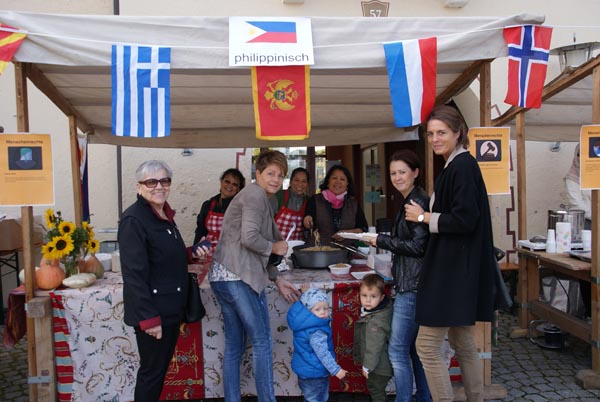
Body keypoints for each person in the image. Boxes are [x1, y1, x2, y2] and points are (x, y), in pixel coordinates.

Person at [404, 105, 495, 402]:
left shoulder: (462, 166)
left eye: (441, 132)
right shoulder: (456, 166)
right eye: (430, 133)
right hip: (458, 268)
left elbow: (465, 220)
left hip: (451, 271)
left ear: (458, 133)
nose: (434, 139)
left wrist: (423, 217)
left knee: (427, 347)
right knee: (462, 341)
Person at [209, 150, 301, 402]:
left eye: (280, 175)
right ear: (257, 173)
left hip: (222, 276)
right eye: (270, 173)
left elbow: (254, 241)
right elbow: (250, 238)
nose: (275, 179)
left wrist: (277, 277)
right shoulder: (255, 195)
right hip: (238, 277)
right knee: (262, 342)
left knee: (234, 346)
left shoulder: (256, 196)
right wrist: (275, 247)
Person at [118, 160, 207, 401]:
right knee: (152, 373)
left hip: (170, 309)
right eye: (151, 181)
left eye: (164, 180)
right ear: (139, 187)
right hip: (153, 313)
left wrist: (190, 252)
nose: (159, 186)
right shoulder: (134, 220)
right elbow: (134, 275)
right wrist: (148, 319)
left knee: (158, 372)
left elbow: (163, 255)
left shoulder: (163, 214)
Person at [367, 150, 431, 402]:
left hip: (412, 285)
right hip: (413, 282)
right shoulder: (410, 199)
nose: (397, 177)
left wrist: (382, 240)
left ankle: (404, 398)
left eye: (402, 172)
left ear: (415, 172)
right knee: (415, 351)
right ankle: (424, 397)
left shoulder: (416, 203)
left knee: (397, 350)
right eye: (393, 173)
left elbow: (419, 247)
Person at [287, 286, 348, 402]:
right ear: (309, 311)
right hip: (316, 373)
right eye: (318, 309)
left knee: (310, 397)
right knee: (318, 399)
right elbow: (322, 353)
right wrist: (335, 370)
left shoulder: (303, 325)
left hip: (305, 371)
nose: (323, 313)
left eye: (325, 308)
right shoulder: (317, 331)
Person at [303, 165, 368, 245]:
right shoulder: (315, 200)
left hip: (347, 253)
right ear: (328, 182)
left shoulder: (353, 204)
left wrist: (346, 233)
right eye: (334, 178)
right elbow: (308, 219)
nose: (338, 182)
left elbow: (363, 229)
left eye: (342, 179)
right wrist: (307, 220)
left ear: (347, 184)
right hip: (320, 252)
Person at [352, 274, 393, 402]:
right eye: (364, 296)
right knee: (377, 390)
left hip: (379, 366)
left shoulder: (375, 321)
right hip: (379, 364)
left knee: (376, 390)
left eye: (373, 296)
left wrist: (367, 366)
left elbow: (374, 345)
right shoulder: (376, 312)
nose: (368, 301)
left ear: (381, 298)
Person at [564, 144, 592, 318]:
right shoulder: (573, 178)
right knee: (587, 271)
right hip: (585, 228)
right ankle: (590, 311)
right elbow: (577, 205)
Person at [193, 168, 245, 251]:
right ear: (221, 182)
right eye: (227, 181)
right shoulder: (208, 205)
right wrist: (195, 252)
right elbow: (200, 231)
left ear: (239, 189)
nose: (230, 186)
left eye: (235, 184)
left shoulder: (241, 208)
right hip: (208, 255)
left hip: (232, 256)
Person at [274, 167, 310, 241]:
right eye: (296, 180)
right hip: (275, 247)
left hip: (297, 247)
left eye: (304, 181)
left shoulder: (309, 201)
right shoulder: (279, 196)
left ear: (307, 184)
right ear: (290, 181)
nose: (300, 184)